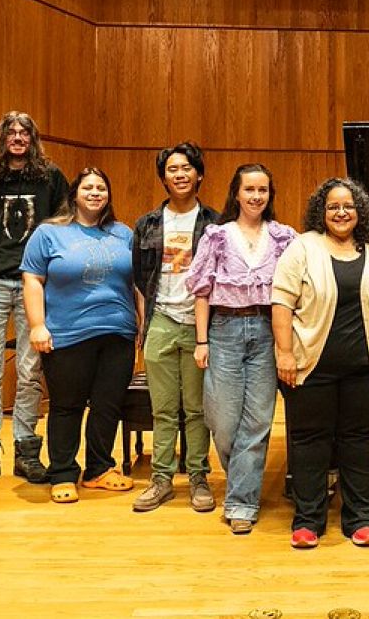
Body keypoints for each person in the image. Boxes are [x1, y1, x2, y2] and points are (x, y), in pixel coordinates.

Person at [272, 178, 369, 549]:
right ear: (321, 212)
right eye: (332, 207)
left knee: (359, 442)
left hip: (367, 365)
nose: (341, 213)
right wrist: (285, 352)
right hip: (312, 365)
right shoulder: (303, 247)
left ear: (360, 211)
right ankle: (308, 519)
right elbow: (281, 303)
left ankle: (360, 518)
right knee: (311, 442)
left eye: (348, 206)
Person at [0, 111, 68, 490]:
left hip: (34, 283)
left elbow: (65, 225)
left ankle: (26, 450)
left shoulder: (51, 177)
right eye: (12, 132)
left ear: (33, 139)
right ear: (2, 138)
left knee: (28, 372)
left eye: (25, 132)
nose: (18, 138)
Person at [187, 164, 296, 533]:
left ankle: (242, 502)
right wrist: (202, 341)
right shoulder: (217, 235)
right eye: (249, 189)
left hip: (268, 328)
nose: (256, 196)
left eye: (263, 190)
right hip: (224, 329)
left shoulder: (283, 237)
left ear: (270, 194)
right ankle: (242, 483)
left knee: (258, 420)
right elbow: (201, 292)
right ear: (237, 193)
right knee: (222, 420)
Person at [21, 167, 137, 503]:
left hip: (118, 331)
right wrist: (37, 326)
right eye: (88, 187)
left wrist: (141, 323)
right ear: (75, 194)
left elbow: (136, 282)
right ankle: (62, 471)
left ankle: (99, 468)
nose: (95, 193)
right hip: (67, 333)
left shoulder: (123, 234)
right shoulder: (49, 233)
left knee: (107, 405)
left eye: (101, 187)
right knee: (66, 405)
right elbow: (32, 281)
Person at [133, 142, 219, 512]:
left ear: (199, 174)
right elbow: (140, 276)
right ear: (164, 177)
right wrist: (145, 325)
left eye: (187, 168)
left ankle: (199, 477)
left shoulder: (216, 223)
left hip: (202, 325)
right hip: (162, 321)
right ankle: (162, 479)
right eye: (172, 169)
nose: (180, 174)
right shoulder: (148, 223)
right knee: (164, 408)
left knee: (198, 409)